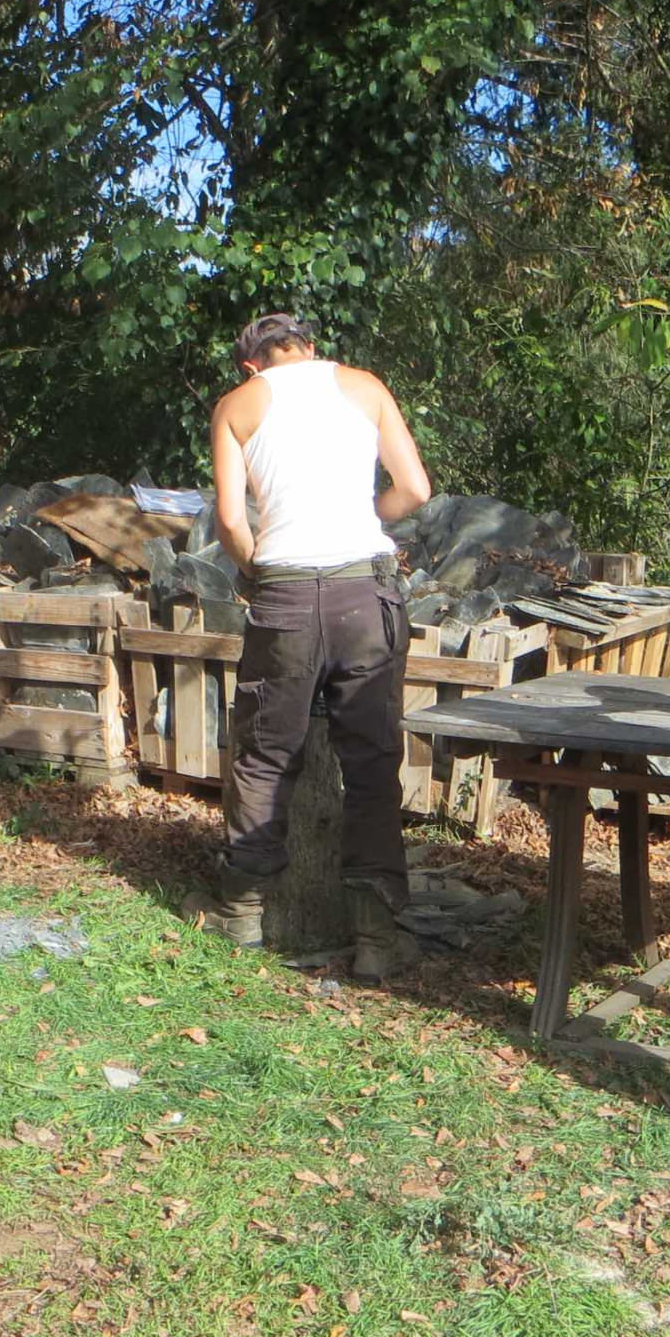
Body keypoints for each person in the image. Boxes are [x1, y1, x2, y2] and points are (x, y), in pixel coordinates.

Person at [204, 313, 432, 980]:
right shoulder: (364, 386)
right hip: (367, 591)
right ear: (310, 349)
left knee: (265, 753)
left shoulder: (236, 405)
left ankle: (243, 913)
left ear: (251, 364)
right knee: (371, 762)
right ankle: (376, 938)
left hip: (285, 596)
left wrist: (256, 570)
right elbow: (414, 488)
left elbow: (228, 516)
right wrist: (368, 522)